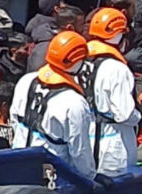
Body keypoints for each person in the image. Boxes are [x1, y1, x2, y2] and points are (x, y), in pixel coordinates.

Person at [8, 30, 104, 177]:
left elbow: (14, 119)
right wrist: (90, 178)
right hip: (50, 175)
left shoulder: (26, 81)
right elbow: (79, 151)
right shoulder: (74, 102)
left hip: (17, 163)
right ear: (77, 62)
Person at [80, 6, 141, 176]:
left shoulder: (82, 61)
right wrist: (140, 116)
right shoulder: (117, 69)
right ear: (119, 35)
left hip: (86, 137)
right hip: (114, 143)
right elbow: (124, 114)